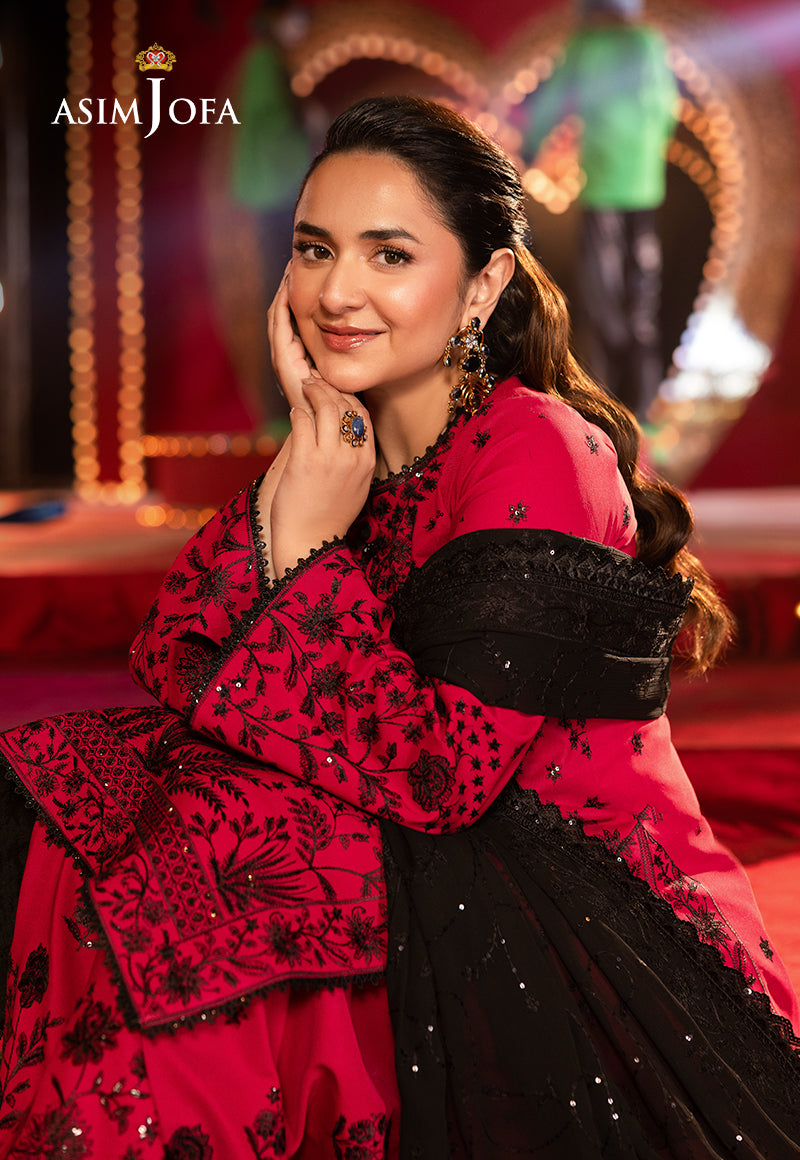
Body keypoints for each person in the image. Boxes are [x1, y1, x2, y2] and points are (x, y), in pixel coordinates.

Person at [1, 95, 800, 1159]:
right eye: (313, 250)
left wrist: (305, 546)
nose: (336, 292)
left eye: (388, 255)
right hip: (407, 834)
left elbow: (443, 773)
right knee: (93, 795)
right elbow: (177, 654)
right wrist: (300, 475)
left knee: (201, 864)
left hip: (549, 889)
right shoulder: (348, 436)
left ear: (484, 283)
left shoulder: (536, 446)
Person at [524, 0, 679, 419]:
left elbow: (552, 100)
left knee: (602, 298)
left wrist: (532, 146)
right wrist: (646, 153)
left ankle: (605, 406)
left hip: (604, 187)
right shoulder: (649, 42)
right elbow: (668, 109)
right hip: (645, 185)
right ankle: (644, 407)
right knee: (641, 302)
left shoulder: (586, 44)